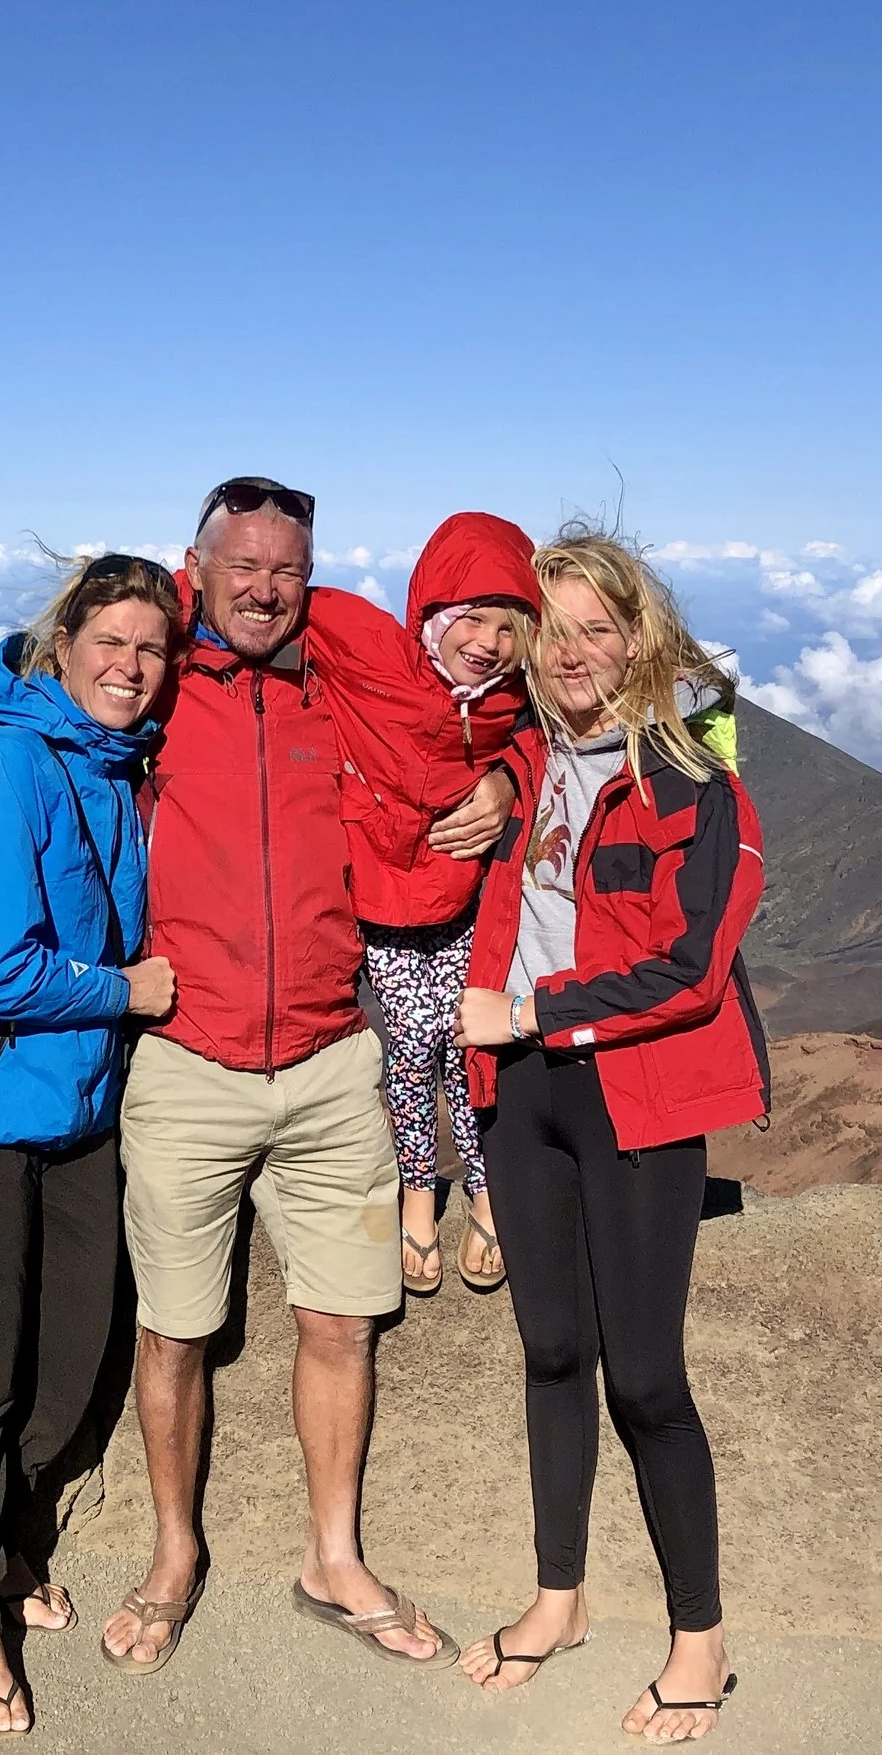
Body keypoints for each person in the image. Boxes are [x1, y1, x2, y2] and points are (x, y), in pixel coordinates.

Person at [0, 478, 515, 1678]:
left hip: (336, 1054)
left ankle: (334, 1557)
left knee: (344, 1322)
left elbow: (477, 724)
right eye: (243, 566)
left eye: (287, 568)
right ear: (200, 564)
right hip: (185, 1061)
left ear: (310, 572)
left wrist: (507, 780)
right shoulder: (158, 675)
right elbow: (3, 737)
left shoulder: (341, 670)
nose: (265, 588)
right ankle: (174, 1554)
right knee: (172, 1333)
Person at [450, 528, 770, 1746]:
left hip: (631, 1093)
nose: (575, 654)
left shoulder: (695, 783)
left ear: (637, 638)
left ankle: (701, 1641)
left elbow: (691, 971)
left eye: (598, 629)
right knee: (548, 1356)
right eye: (555, 631)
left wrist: (532, 1010)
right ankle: (559, 1602)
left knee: (643, 1376)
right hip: (520, 1093)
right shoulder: (524, 763)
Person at [0, 554, 183, 1734]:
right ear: (59, 646)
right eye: (109, 641)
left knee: (65, 1372)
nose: (130, 666)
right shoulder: (7, 764)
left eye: (151, 649)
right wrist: (127, 991)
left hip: (73, 1119)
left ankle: (5, 1547)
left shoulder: (114, 771)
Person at [299, 513, 540, 1294]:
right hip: (384, 909)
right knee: (412, 1049)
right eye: (471, 616)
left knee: (473, 1044)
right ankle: (416, 1183)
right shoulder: (371, 648)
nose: (489, 641)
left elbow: (582, 723)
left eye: (511, 626)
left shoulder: (517, 698)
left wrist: (511, 777)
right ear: (431, 613)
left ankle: (483, 1184)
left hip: (469, 903)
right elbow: (268, 595)